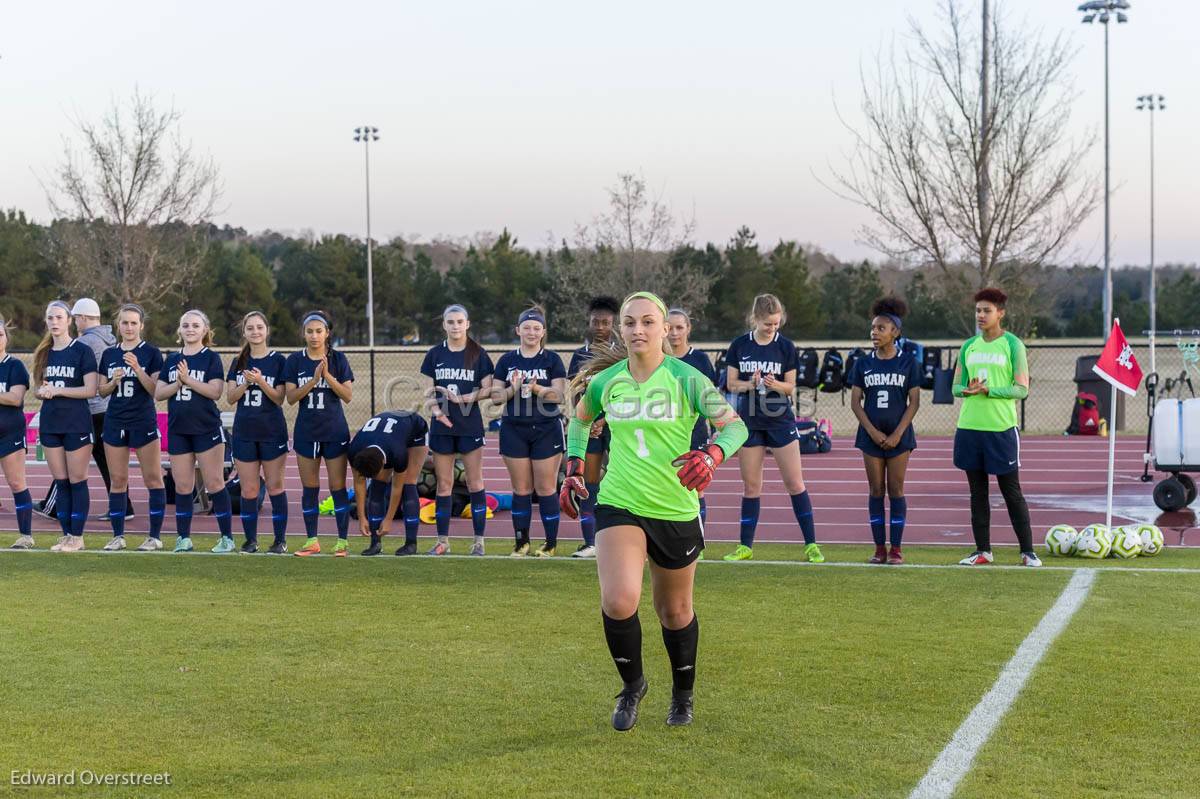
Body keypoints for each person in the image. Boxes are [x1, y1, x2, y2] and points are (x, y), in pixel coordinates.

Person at [560, 291, 748, 731]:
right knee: (619, 599)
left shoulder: (687, 379)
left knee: (674, 611)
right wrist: (573, 467)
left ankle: (683, 696)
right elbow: (581, 419)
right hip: (620, 500)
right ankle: (633, 685)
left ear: (666, 329)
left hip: (675, 506)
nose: (638, 330)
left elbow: (735, 426)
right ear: (620, 330)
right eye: (630, 323)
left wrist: (712, 456)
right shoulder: (608, 381)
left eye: (648, 322)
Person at [722, 294, 823, 563]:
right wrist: (751, 384)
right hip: (750, 421)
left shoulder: (786, 347)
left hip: (779, 420)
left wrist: (775, 384)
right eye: (767, 324)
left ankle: (811, 544)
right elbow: (731, 384)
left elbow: (791, 387)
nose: (772, 328)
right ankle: (745, 546)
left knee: (794, 482)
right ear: (755, 319)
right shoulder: (739, 345)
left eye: (776, 324)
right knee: (751, 486)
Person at [952, 288, 1040, 567]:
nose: (980, 315)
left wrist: (990, 391)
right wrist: (966, 391)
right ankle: (983, 551)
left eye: (986, 310)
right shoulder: (968, 346)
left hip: (1001, 428)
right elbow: (955, 386)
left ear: (1000, 313)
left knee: (1011, 491)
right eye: (978, 310)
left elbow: (1022, 389)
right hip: (969, 427)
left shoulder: (1013, 345)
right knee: (977, 493)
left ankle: (1027, 552)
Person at [848, 297, 922, 565]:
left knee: (896, 489)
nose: (874, 333)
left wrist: (897, 434)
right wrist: (873, 432)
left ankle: (897, 549)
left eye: (881, 328)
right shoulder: (862, 363)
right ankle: (879, 548)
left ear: (896, 332)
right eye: (873, 328)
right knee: (876, 489)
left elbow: (914, 403)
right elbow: (856, 403)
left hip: (900, 436)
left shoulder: (909, 363)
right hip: (870, 435)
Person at [490, 306, 567, 556]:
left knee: (546, 488)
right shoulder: (507, 360)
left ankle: (550, 544)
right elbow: (496, 397)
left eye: (536, 328)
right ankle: (521, 543)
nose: (531, 332)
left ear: (543, 331)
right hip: (514, 429)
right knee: (521, 489)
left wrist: (536, 389)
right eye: (526, 328)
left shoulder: (551, 360)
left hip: (546, 428)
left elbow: (558, 396)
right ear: (518, 330)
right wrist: (513, 389)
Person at [156, 310, 234, 553]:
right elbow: (158, 393)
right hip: (179, 430)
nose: (190, 329)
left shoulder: (210, 358)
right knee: (182, 486)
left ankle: (226, 538)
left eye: (195, 325)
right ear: (180, 331)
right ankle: (183, 538)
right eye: (186, 325)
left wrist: (188, 380)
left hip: (206, 428)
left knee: (214, 483)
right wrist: (177, 383)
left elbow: (215, 392)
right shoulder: (171, 359)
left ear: (204, 330)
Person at [421, 304, 494, 556]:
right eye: (450, 322)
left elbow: (488, 389)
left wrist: (463, 398)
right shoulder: (434, 354)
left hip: (469, 424)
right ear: (444, 324)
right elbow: (428, 391)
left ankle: (479, 541)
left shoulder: (478, 353)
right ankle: (443, 541)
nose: (455, 326)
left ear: (467, 324)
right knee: (444, 484)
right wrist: (437, 413)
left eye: (459, 322)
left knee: (475, 482)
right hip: (442, 427)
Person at [284, 310, 355, 557]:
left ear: (327, 333)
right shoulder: (294, 361)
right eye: (309, 331)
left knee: (337, 486)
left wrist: (326, 377)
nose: (314, 336)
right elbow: (291, 398)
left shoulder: (338, 359)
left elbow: (347, 396)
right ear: (303, 333)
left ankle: (342, 542)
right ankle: (312, 540)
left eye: (319, 331)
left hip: (334, 430)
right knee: (310, 487)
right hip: (306, 431)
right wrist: (313, 381)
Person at [97, 303, 167, 551]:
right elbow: (101, 390)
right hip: (115, 419)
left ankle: (154, 537)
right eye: (124, 322)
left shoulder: (151, 353)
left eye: (133, 323)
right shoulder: (108, 354)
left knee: (153, 478)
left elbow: (155, 391)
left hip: (143, 419)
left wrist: (137, 369)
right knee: (118, 479)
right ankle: (118, 536)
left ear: (141, 325)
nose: (128, 327)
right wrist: (113, 381)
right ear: (118, 325)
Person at [34, 300, 99, 552]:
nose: (54, 322)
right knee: (60, 481)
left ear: (69, 320)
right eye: (50, 318)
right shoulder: (43, 353)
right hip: (50, 423)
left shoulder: (82, 350)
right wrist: (44, 392)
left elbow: (90, 389)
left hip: (77, 423)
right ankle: (66, 535)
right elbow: (40, 389)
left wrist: (58, 390)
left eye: (59, 317)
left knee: (77, 479)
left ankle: (78, 536)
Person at [226, 311, 290, 554]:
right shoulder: (238, 362)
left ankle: (279, 540)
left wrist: (261, 382)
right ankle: (250, 540)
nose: (255, 332)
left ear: (267, 330)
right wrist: (245, 383)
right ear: (244, 332)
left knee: (275, 486)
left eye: (259, 327)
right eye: (250, 328)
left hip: (272, 431)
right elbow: (231, 398)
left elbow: (279, 398)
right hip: (245, 431)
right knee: (249, 489)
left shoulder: (278, 360)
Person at [72, 297, 136, 522]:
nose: (74, 323)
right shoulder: (107, 339)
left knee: (77, 459)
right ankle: (123, 505)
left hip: (94, 408)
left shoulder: (87, 342)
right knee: (104, 460)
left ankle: (54, 504)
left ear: (82, 318)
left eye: (75, 318)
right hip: (107, 407)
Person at [566, 295, 620, 558]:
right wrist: (587, 420)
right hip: (589, 426)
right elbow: (575, 392)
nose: (600, 326)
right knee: (589, 480)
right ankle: (591, 542)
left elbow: (626, 392)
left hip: (618, 424)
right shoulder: (579, 355)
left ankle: (623, 542)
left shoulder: (621, 353)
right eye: (595, 322)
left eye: (605, 322)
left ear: (614, 323)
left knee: (623, 477)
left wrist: (604, 419)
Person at [349, 410, 429, 556]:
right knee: (378, 484)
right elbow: (359, 483)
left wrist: (388, 520)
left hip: (415, 429)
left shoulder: (398, 454)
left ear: (384, 463)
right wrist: (362, 518)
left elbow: (397, 487)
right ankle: (375, 542)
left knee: (408, 483)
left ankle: (411, 543)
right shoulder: (354, 449)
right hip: (385, 437)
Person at [666, 308, 718, 526]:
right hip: (664, 432)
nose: (674, 333)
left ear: (689, 329)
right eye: (670, 328)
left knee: (695, 488)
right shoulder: (657, 360)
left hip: (694, 432)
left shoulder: (700, 359)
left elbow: (712, 398)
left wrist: (716, 429)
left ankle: (698, 540)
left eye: (680, 327)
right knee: (666, 487)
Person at [0, 315, 35, 549]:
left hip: (9, 433)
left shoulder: (14, 366)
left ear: (6, 337)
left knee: (16, 482)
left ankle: (25, 535)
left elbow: (15, 398)